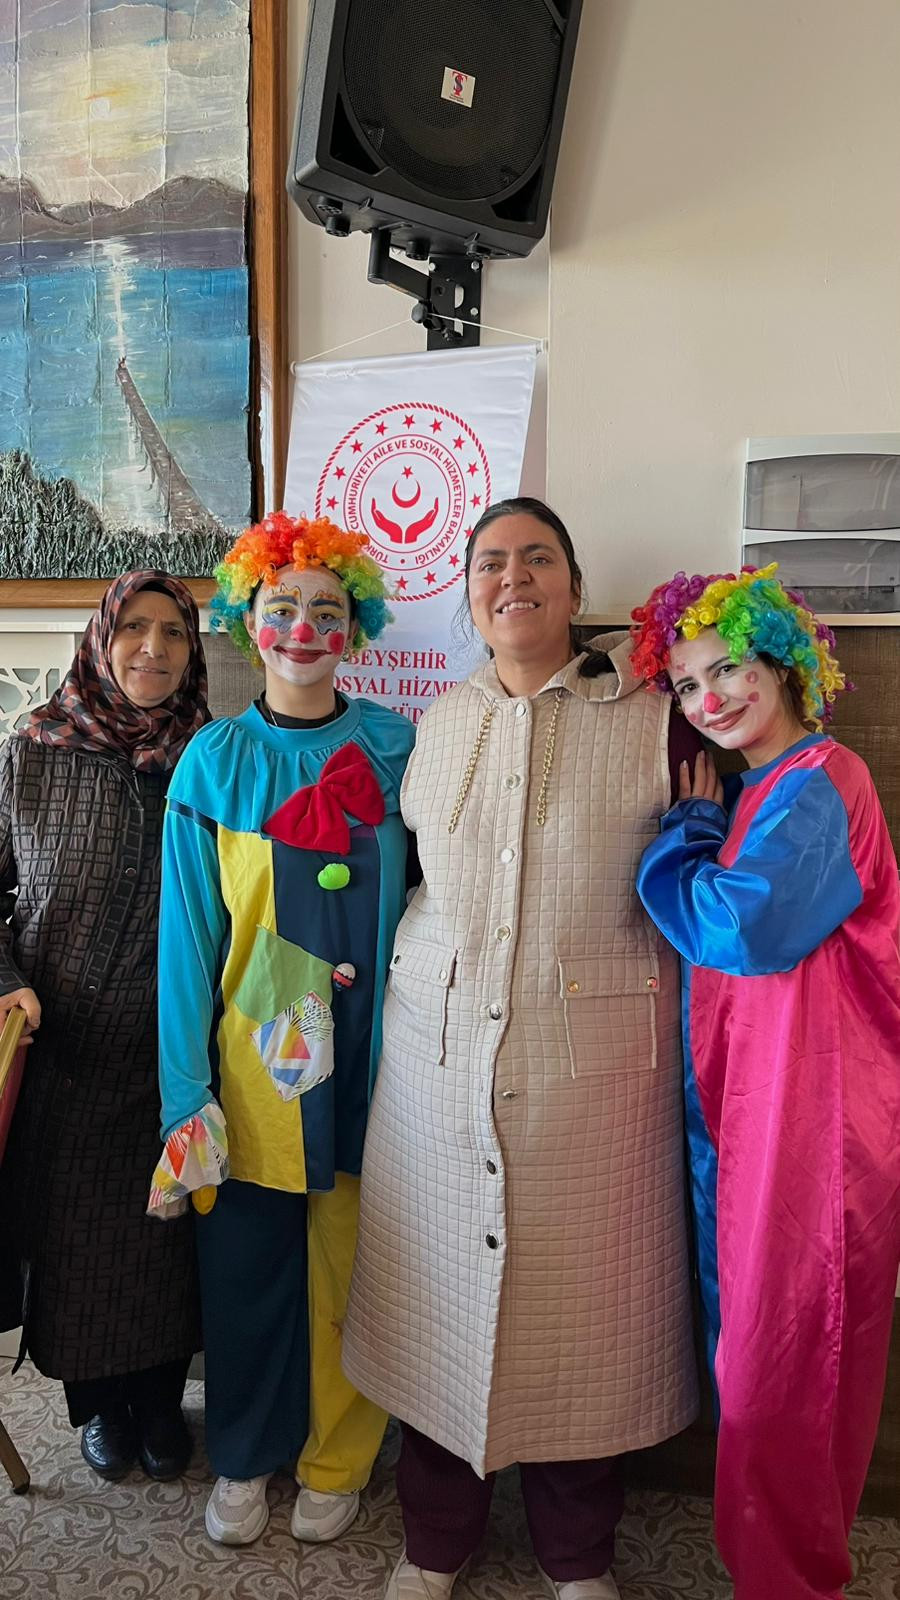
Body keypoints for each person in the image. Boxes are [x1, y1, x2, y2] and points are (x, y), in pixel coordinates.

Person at [342, 497, 700, 1600]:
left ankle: (577, 1555)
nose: (514, 578)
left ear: (575, 586)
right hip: (437, 1058)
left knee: (584, 1319)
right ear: (467, 594)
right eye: (491, 562)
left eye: (537, 557)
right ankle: (434, 1541)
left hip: (594, 1072)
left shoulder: (658, 719)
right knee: (437, 1298)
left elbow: (708, 878)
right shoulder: (435, 722)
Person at [630, 563, 900, 1600]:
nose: (710, 699)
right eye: (688, 684)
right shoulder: (764, 790)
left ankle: (791, 1581)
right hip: (765, 1119)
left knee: (792, 1361)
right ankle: (775, 1569)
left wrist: (682, 844)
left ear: (784, 663)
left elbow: (743, 925)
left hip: (819, 1126)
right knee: (762, 1358)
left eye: (729, 668)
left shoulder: (825, 779)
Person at [149, 513, 415, 1549]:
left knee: (356, 1270)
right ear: (247, 621)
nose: (304, 627)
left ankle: (338, 1458)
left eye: (327, 608)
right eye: (282, 607)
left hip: (377, 1061)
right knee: (247, 1272)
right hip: (257, 1066)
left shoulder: (396, 745)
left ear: (356, 627)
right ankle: (246, 1454)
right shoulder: (210, 763)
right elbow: (187, 945)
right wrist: (186, 1093)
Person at [0, 571, 209, 1481]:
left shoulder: (210, 756)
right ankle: (99, 1409)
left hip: (175, 1053)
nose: (153, 649)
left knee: (165, 1241)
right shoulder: (31, 754)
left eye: (174, 632)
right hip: (65, 1053)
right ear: (100, 639)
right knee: (77, 1245)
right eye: (134, 628)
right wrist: (7, 984)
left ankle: (161, 1403)